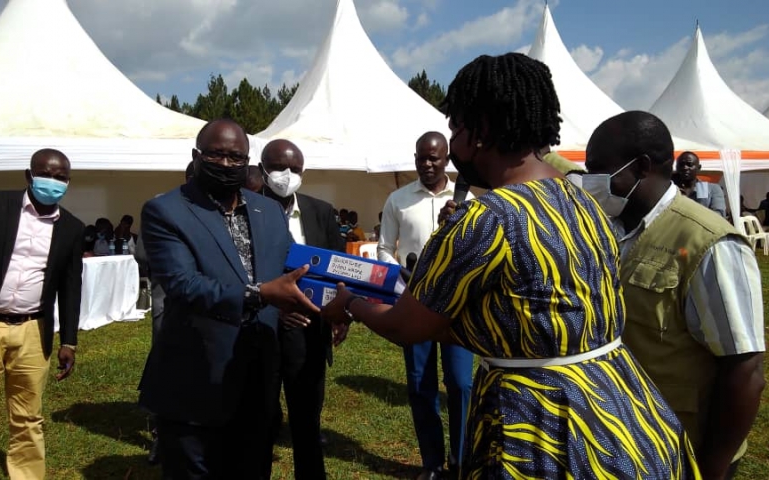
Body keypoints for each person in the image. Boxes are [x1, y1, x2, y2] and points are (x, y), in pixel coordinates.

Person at [323, 53, 700, 479]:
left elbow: (405, 326)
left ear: (480, 133)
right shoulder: (584, 201)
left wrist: (349, 304)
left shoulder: (486, 219)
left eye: (456, 130)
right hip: (624, 413)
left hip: (541, 431)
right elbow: (536, 314)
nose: (454, 145)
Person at [584, 111, 765, 480]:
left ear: (642, 167)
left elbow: (744, 370)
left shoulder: (708, 243)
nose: (591, 182)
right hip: (624, 438)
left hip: (682, 450)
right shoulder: (611, 229)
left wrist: (711, 470)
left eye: (600, 170)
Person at [138, 118, 319, 479]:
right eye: (215, 155)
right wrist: (260, 294)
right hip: (195, 381)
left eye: (236, 158)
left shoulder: (268, 211)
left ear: (248, 162)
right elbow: (183, 285)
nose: (225, 164)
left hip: (257, 380)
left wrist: (336, 299)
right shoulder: (165, 211)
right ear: (196, 156)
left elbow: (293, 268)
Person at [0, 148, 83, 480]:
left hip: (32, 330)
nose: (52, 182)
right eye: (45, 174)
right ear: (29, 175)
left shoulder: (72, 228)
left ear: (68, 182)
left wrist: (69, 341)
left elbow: (71, 288)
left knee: (28, 418)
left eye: (61, 177)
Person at [377, 131, 474, 479]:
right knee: (420, 384)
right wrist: (398, 277)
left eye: (434, 157)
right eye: (421, 157)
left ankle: (460, 461)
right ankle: (432, 463)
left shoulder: (467, 199)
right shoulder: (398, 199)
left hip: (455, 305)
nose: (427, 164)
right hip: (414, 301)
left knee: (461, 383)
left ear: (446, 159)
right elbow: (384, 248)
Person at [259, 139, 347, 480]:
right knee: (260, 421)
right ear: (262, 170)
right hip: (261, 331)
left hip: (309, 331)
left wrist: (342, 314)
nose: (287, 175)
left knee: (307, 421)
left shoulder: (320, 212)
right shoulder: (246, 211)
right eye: (279, 168)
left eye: (294, 169)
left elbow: (338, 269)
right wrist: (274, 308)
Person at [134, 161, 194, 465]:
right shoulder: (161, 206)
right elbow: (142, 253)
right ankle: (162, 435)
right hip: (170, 301)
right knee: (167, 364)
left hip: (209, 305)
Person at [674, 151, 727, 217]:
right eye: (681, 164)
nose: (685, 167)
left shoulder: (711, 189)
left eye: (689, 164)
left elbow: (719, 216)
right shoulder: (670, 189)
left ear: (698, 168)